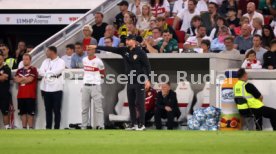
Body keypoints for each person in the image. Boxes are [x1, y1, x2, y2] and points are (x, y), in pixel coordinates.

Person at [91, 35, 151, 131]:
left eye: (130, 40)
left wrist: (148, 80)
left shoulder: (141, 52)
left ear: (134, 41)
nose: (127, 41)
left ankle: (142, 124)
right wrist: (97, 47)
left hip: (140, 80)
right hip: (130, 81)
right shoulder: (124, 50)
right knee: (131, 103)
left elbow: (147, 66)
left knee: (139, 103)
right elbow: (111, 49)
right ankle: (133, 123)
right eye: (127, 40)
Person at [39, 46, 65, 129]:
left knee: (57, 110)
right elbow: (40, 72)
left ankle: (57, 127)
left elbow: (57, 71)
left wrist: (47, 73)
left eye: (47, 51)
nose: (46, 53)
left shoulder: (61, 61)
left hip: (57, 87)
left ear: (52, 52)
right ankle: (48, 127)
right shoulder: (45, 61)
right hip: (46, 88)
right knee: (48, 109)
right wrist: (48, 73)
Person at [81, 45, 105, 130]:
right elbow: (85, 72)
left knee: (98, 107)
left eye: (90, 49)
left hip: (95, 86)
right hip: (85, 86)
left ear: (94, 50)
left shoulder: (98, 61)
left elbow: (103, 74)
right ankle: (84, 126)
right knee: (84, 108)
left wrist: (98, 84)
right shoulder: (84, 60)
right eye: (87, 49)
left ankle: (101, 126)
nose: (88, 51)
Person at [14, 54, 38, 129]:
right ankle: (24, 128)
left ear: (30, 60)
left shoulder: (33, 69)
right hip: (20, 95)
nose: (25, 60)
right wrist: (25, 78)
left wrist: (22, 79)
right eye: (23, 59)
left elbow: (30, 80)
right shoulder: (19, 70)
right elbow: (16, 80)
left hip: (30, 95)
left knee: (30, 113)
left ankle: (30, 128)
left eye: (27, 59)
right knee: (22, 113)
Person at [0, 53, 12, 129]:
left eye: (0, 59)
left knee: (5, 112)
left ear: (3, 59)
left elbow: (3, 79)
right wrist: (2, 75)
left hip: (3, 94)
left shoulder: (6, 68)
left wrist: (2, 76)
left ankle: (7, 128)